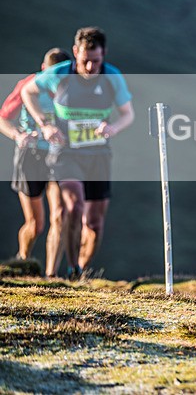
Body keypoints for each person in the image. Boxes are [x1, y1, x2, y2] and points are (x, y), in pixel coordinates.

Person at [21, 27, 134, 280]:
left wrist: (112, 127)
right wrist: (45, 124)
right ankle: (71, 269)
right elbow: (27, 91)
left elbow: (128, 114)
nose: (91, 67)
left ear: (103, 55)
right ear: (75, 53)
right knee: (74, 207)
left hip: (98, 154)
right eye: (85, 61)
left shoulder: (112, 77)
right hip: (65, 154)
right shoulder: (59, 73)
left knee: (94, 223)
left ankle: (81, 269)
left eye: (96, 61)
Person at [0, 48, 71, 277]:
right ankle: (24, 260)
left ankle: (51, 275)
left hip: (59, 157)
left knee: (59, 215)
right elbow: (3, 119)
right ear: (43, 70)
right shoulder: (27, 85)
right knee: (36, 224)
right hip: (30, 156)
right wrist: (18, 136)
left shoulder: (73, 90)